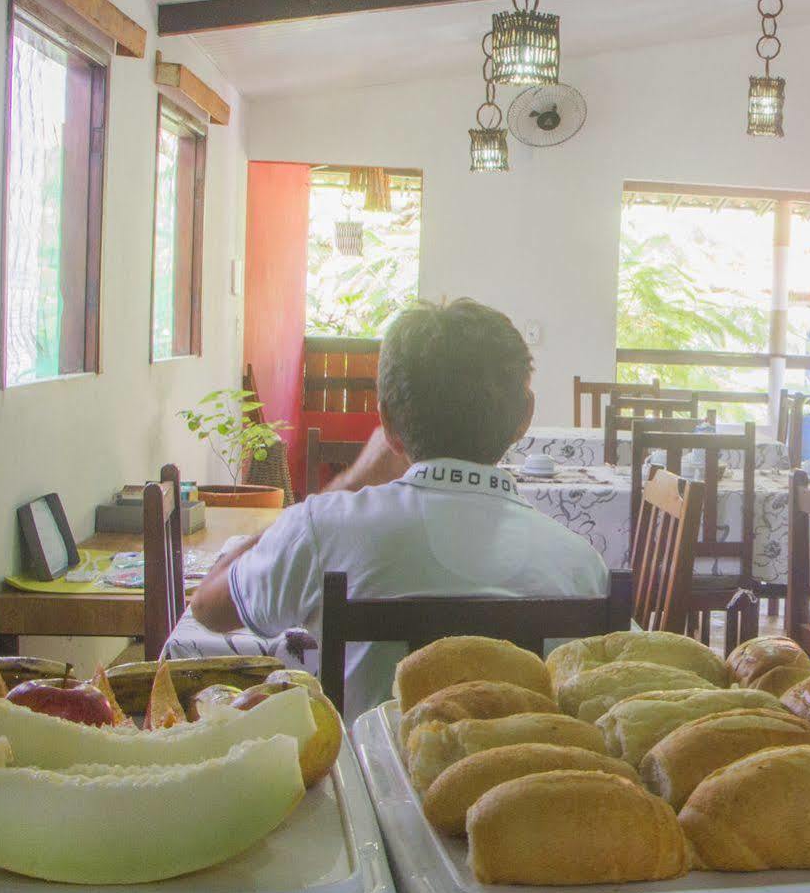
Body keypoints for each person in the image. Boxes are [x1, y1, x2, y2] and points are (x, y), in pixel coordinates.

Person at [188, 298, 608, 717]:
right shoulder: (583, 569)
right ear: (524, 418)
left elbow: (208, 607)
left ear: (386, 422)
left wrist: (351, 483)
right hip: (515, 779)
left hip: (360, 781)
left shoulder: (323, 528)